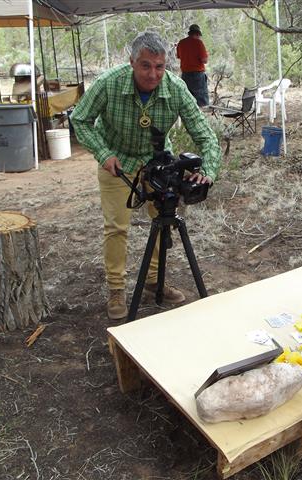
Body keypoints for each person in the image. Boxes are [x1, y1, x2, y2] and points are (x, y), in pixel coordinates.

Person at [70, 31, 221, 321]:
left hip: (157, 162)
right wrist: (103, 154)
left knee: (162, 220)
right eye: (146, 66)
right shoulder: (109, 83)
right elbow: (80, 120)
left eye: (160, 66)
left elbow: (205, 135)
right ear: (132, 62)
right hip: (117, 160)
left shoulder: (175, 89)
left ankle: (154, 280)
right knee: (117, 227)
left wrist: (208, 171)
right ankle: (116, 289)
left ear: (166, 65)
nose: (153, 74)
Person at [176, 24, 209, 107]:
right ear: (197, 34)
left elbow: (178, 56)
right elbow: (204, 60)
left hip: (185, 75)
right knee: (200, 102)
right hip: (197, 76)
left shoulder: (181, 43)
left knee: (187, 101)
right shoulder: (198, 43)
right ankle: (199, 118)